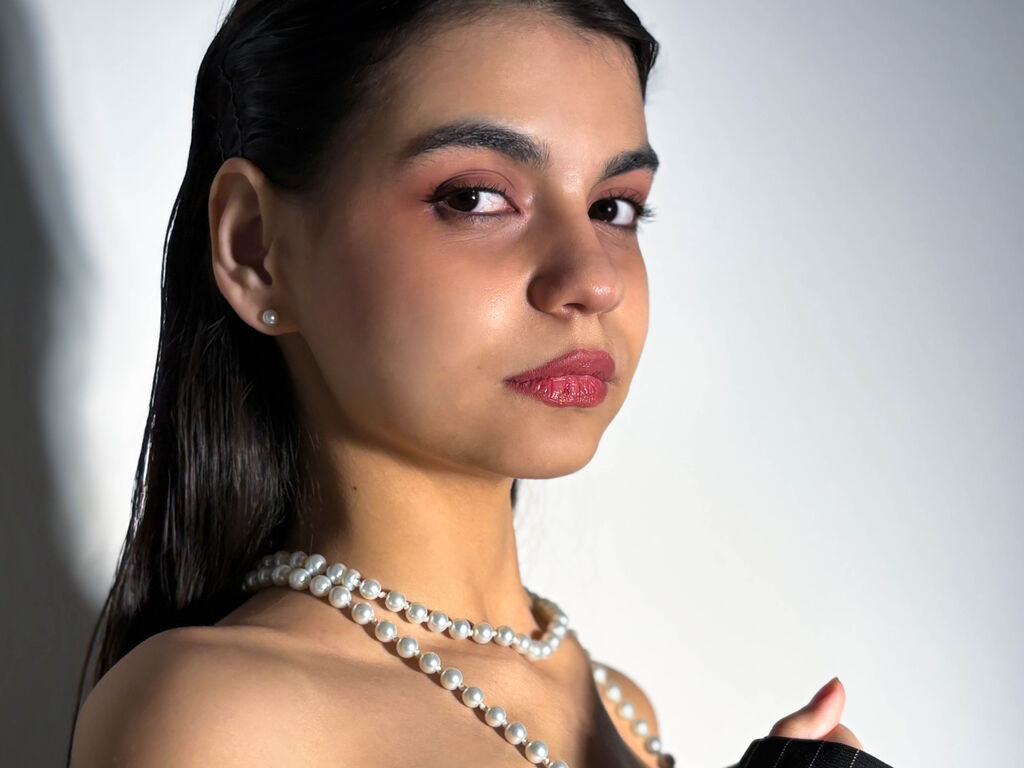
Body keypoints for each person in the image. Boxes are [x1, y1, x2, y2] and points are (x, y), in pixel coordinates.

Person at [66, 2, 895, 766]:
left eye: (613, 207)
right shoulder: (220, 717)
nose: (593, 280)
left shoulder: (620, 709)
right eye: (475, 197)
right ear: (256, 249)